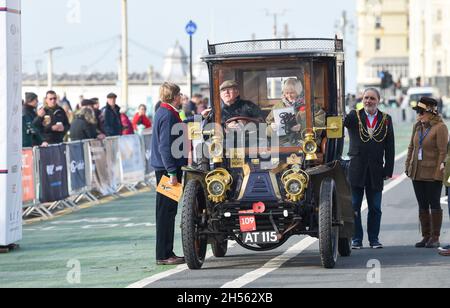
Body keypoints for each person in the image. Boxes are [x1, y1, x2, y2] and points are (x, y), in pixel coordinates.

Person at [344, 88, 395, 250]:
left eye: (372, 98)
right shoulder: (354, 116)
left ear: (378, 100)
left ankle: (374, 239)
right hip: (357, 169)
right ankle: (356, 239)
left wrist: (388, 170)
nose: (368, 101)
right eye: (366, 98)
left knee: (375, 208)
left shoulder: (386, 119)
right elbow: (341, 122)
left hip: (375, 170)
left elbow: (390, 147)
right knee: (354, 206)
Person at [150, 82, 187, 266]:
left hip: (166, 167)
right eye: (179, 94)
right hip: (167, 169)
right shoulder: (167, 114)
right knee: (166, 212)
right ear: (173, 96)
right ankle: (164, 254)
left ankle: (166, 252)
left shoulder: (165, 112)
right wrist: (172, 171)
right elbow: (165, 146)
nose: (182, 97)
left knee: (166, 211)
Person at [405, 97, 448, 249]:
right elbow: (411, 147)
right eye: (417, 112)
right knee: (422, 205)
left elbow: (443, 152)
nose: (418, 115)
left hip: (432, 174)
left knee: (434, 204)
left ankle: (435, 237)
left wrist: (438, 174)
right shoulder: (417, 126)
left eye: (421, 112)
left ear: (431, 112)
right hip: (417, 172)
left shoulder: (440, 127)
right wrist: (407, 165)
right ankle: (426, 236)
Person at [266, 78, 325, 146]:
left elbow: (320, 124)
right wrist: (272, 128)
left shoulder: (310, 105)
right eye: (286, 93)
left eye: (292, 93)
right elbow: (266, 129)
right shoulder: (277, 107)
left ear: (298, 92)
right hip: (282, 146)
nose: (289, 96)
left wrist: (302, 127)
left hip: (306, 144)